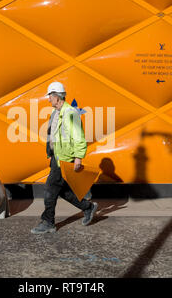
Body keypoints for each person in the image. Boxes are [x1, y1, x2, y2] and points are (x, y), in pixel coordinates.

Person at [31, 81, 98, 234]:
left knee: (49, 189)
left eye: (50, 96)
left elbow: (78, 136)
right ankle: (88, 207)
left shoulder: (70, 113)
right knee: (61, 191)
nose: (48, 99)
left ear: (56, 96)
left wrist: (78, 157)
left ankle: (48, 222)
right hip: (56, 157)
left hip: (65, 158)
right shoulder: (56, 113)